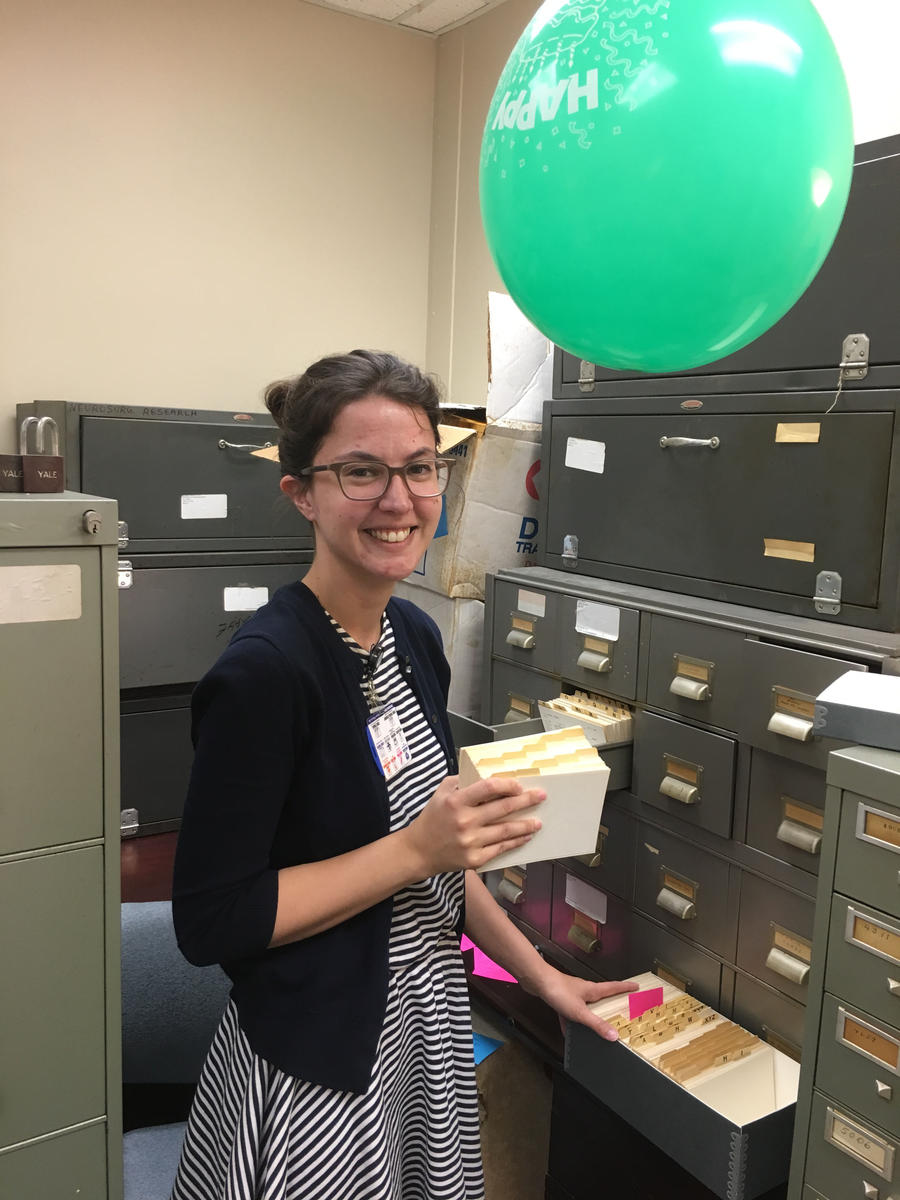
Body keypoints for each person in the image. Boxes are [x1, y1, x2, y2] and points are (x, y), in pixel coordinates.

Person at [170, 349, 636, 1200]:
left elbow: (441, 868)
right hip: (322, 1066)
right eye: (360, 472)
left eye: (420, 468)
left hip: (421, 1039)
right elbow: (212, 921)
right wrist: (417, 851)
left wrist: (543, 976)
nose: (398, 498)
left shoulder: (411, 639)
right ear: (301, 493)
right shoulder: (266, 674)